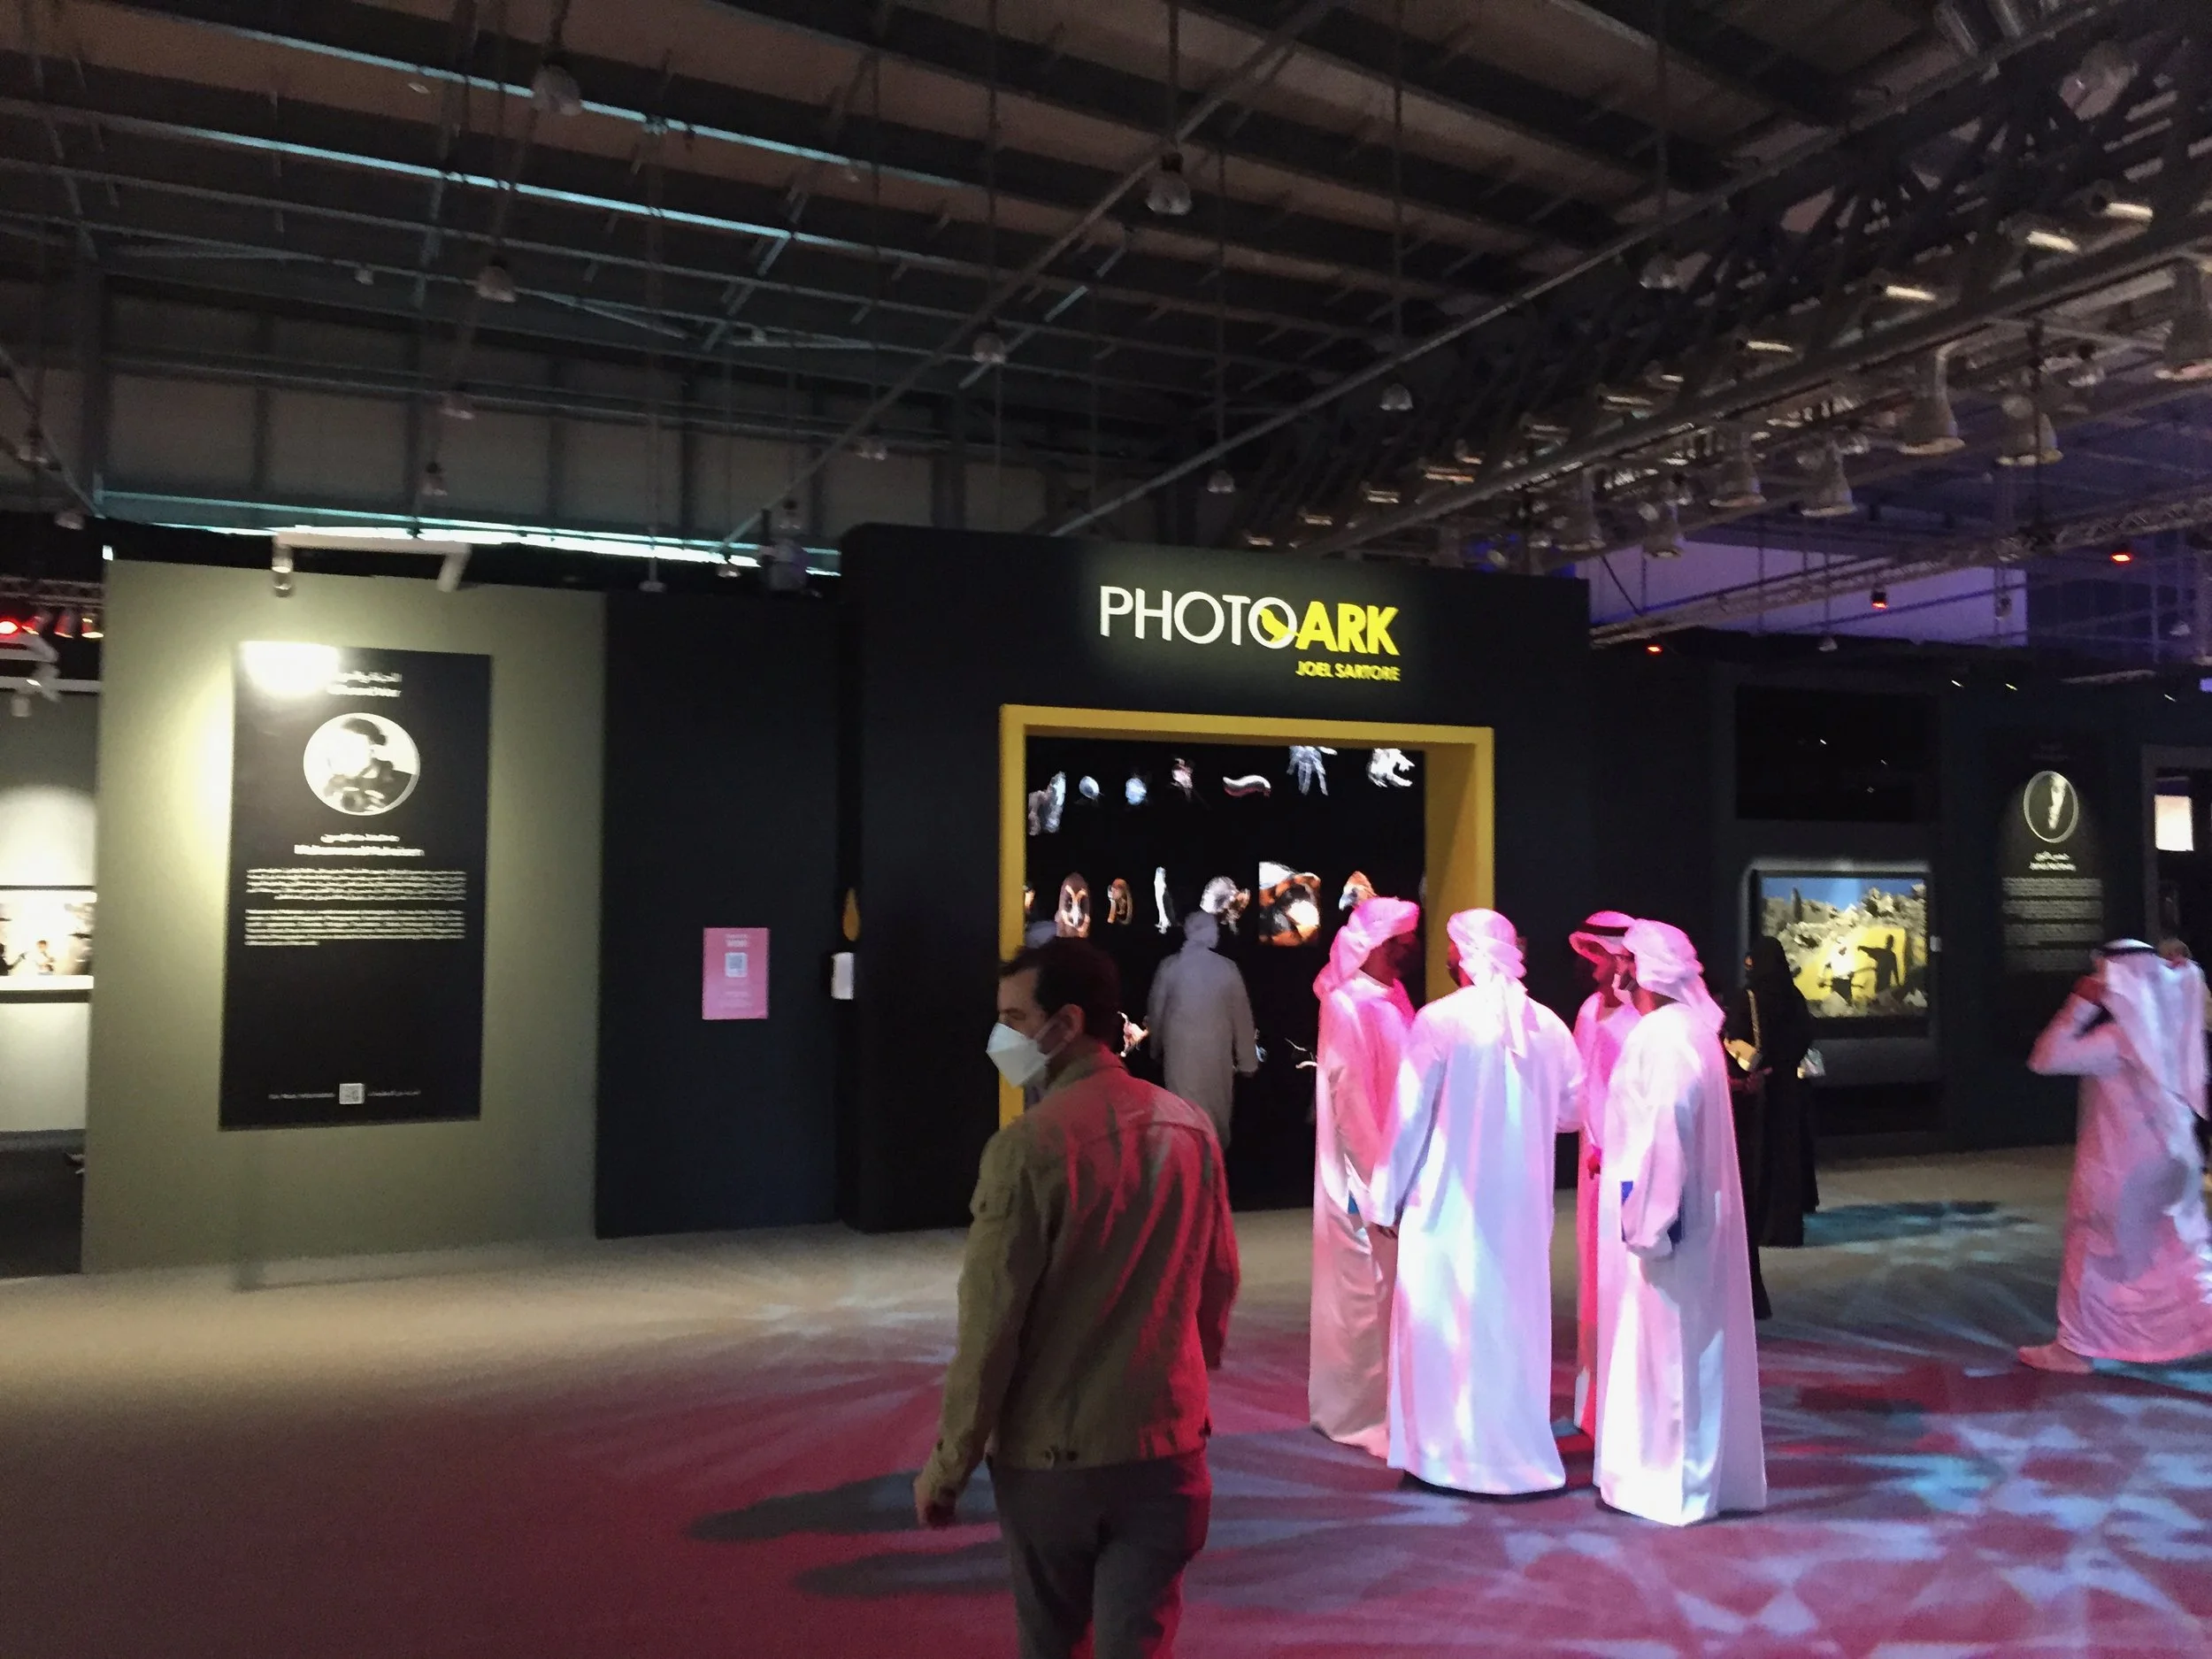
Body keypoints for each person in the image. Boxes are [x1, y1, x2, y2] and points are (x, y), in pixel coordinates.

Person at [918, 938, 1240, 1659]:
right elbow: (1217, 1283)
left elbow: (990, 1327)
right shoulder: (1190, 1128)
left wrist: (949, 1463)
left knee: (1052, 1640)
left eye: (1012, 1016)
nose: (1001, 1035)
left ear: (1063, 1023)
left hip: (1055, 1462)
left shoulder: (1026, 1150)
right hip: (1168, 1450)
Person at [1364, 909, 1583, 1496]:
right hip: (1521, 1212)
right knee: (1510, 1328)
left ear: (1461, 956)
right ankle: (1511, 1452)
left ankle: (1442, 1456)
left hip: (1445, 1210)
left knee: (1442, 1327)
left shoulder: (1440, 1020)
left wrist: (1383, 1200)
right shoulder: (1550, 1026)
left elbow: (1408, 1117)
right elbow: (1573, 1111)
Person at [1595, 920, 1766, 1527]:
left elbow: (1663, 1132)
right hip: (1691, 1217)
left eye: (1626, 962)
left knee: (1670, 1356)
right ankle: (1687, 1478)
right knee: (1692, 1352)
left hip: (1670, 1223)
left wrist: (1647, 1221)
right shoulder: (1691, 1029)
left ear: (1643, 971)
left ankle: (1670, 1486)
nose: (1617, 971)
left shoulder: (1663, 1037)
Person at [2017, 940, 2212, 1373]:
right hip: (2176, 1163)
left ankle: (2072, 1349)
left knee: (2090, 1255)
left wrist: (2082, 1001)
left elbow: (2045, 1058)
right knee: (2182, 1251)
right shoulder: (2174, 1030)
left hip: (2120, 1170)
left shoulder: (2119, 1040)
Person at [1308, 895, 1421, 1456]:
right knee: (1362, 1294)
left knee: (1389, 1295)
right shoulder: (1346, 1005)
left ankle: (1396, 1406)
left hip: (1393, 1173)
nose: (1408, 951)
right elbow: (1349, 1099)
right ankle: (1357, 1415)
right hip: (1359, 1178)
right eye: (1400, 941)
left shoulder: (1393, 997)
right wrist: (1380, 1183)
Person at [1569, 910, 1642, 1438]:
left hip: (1626, 1166)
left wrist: (1610, 1145)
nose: (1593, 973)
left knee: (1624, 1277)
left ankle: (1625, 1401)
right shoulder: (1588, 1010)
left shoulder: (1641, 1022)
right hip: (1590, 1167)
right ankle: (1593, 1401)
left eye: (1601, 959)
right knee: (1592, 1276)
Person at [1725, 938, 1816, 1253]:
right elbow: (1806, 1035)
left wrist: (1748, 1070)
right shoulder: (1794, 996)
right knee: (1787, 1155)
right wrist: (1785, 1063)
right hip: (1789, 1087)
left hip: (1758, 1089)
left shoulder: (1747, 997)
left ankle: (1760, 1226)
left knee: (1759, 1155)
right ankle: (1787, 1227)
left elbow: (1734, 1036)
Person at [1146, 910, 1258, 1145]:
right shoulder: (1227, 969)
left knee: (1180, 1111)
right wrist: (1247, 1061)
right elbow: (1242, 1018)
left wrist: (1155, 1049)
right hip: (1216, 1056)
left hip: (1179, 1054)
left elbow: (1156, 1012)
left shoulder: (1170, 967)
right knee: (1215, 1112)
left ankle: (1184, 1166)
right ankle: (1213, 1169)